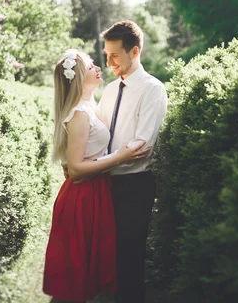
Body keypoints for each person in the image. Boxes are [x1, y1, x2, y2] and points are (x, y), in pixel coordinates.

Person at [43, 49, 151, 303]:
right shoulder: (80, 114)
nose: (98, 67)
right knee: (78, 274)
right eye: (91, 66)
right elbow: (77, 167)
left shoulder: (88, 107)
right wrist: (120, 158)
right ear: (79, 76)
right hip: (83, 196)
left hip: (95, 191)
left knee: (89, 271)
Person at [96, 20, 168, 303]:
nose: (109, 61)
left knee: (129, 259)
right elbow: (98, 133)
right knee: (106, 257)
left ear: (134, 51)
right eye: (106, 54)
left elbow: (142, 146)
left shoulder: (152, 89)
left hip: (134, 187)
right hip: (103, 183)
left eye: (115, 55)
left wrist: (102, 164)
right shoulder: (111, 90)